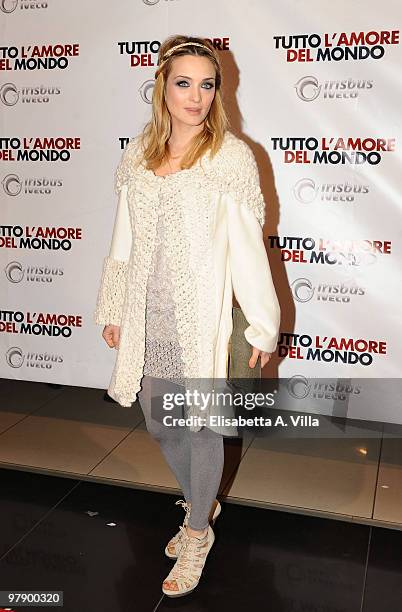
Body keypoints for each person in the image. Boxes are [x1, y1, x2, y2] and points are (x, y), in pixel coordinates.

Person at [94, 34, 281, 597]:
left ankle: (197, 528)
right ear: (162, 88)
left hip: (200, 317)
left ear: (217, 92)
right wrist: (114, 308)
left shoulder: (230, 158)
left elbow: (250, 249)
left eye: (207, 84)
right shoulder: (138, 154)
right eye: (184, 83)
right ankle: (204, 499)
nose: (196, 96)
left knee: (200, 426)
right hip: (148, 315)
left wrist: (264, 322)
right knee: (159, 419)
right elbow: (122, 241)